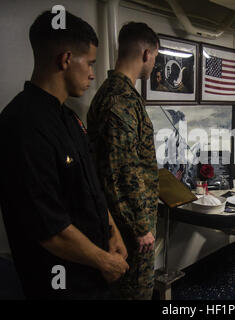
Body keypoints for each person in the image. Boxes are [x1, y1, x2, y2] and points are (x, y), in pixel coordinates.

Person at [0, 10, 129, 300]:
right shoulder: (22, 125)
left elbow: (88, 187)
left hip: (92, 275)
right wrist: (104, 260)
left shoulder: (69, 119)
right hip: (59, 285)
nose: (93, 74)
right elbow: (49, 228)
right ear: (66, 59)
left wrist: (112, 232)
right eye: (91, 63)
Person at [87, 22, 159, 300]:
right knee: (134, 293)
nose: (153, 64)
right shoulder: (120, 101)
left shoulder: (116, 93)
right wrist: (140, 227)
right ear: (145, 54)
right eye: (155, 57)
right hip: (128, 229)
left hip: (122, 222)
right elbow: (120, 170)